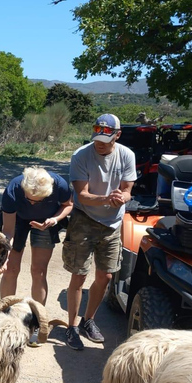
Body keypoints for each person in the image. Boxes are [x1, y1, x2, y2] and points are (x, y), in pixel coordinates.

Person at [62, 114, 137, 350]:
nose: (100, 143)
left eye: (105, 138)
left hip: (113, 223)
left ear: (118, 135)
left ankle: (88, 320)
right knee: (79, 275)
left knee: (105, 276)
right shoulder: (81, 155)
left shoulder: (127, 155)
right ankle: (71, 326)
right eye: (97, 138)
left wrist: (121, 198)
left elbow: (127, 190)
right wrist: (107, 198)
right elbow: (82, 195)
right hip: (84, 218)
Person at [0, 167, 72, 344]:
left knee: (39, 271)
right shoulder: (13, 190)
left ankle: (37, 322)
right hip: (18, 221)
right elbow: (8, 230)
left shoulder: (59, 185)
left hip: (47, 221)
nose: (32, 203)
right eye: (29, 199)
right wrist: (4, 258)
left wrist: (54, 219)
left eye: (37, 201)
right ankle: (4, 319)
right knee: (10, 269)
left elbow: (68, 205)